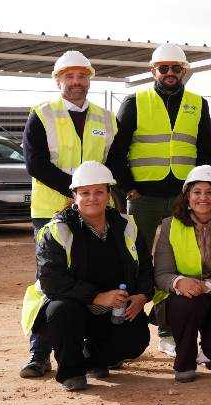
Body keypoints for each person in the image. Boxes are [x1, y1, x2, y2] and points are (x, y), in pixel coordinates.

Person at [20, 51, 121, 379]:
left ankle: (93, 348)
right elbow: (36, 163)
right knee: (48, 280)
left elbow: (115, 162)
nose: (76, 82)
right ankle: (40, 349)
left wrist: (94, 196)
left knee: (94, 276)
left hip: (96, 211)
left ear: (89, 79)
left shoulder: (106, 118)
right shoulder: (42, 114)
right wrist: (77, 191)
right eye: (69, 76)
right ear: (58, 80)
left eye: (82, 76)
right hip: (51, 210)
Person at [112, 43, 211, 357]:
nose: (170, 73)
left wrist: (202, 190)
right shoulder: (135, 102)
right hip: (144, 197)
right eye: (164, 68)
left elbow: (204, 152)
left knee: (179, 261)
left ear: (185, 71)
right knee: (140, 261)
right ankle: (131, 327)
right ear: (152, 70)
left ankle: (170, 327)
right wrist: (128, 187)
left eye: (176, 68)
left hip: (182, 199)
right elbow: (116, 151)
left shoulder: (198, 104)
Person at [19, 162, 151, 392]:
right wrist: (97, 297)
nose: (92, 198)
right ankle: (72, 371)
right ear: (75, 195)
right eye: (85, 193)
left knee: (136, 338)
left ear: (109, 194)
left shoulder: (126, 225)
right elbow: (52, 281)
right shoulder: (57, 230)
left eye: (99, 192)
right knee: (61, 310)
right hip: (73, 306)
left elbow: (146, 268)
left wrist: (141, 295)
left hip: (113, 308)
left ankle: (94, 358)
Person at [150, 165, 211, 382]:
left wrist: (209, 286)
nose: (203, 198)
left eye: (209, 192)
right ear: (187, 196)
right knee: (187, 303)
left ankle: (210, 350)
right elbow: (161, 273)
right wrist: (179, 282)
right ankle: (185, 360)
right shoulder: (168, 226)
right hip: (183, 298)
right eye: (197, 192)